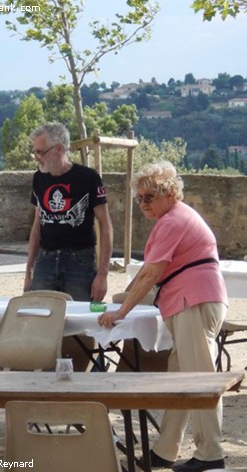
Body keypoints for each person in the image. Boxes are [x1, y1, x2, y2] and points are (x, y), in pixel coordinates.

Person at [98, 161, 227, 472]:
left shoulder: (172, 222)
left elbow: (150, 275)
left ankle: (211, 454)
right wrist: (125, 302)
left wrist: (121, 311)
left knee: (198, 380)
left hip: (193, 300)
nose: (143, 203)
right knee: (181, 379)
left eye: (149, 197)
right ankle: (165, 451)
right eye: (139, 198)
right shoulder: (173, 218)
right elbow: (147, 273)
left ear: (169, 193)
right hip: (192, 300)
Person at [24, 122, 113, 302]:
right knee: (37, 315)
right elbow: (37, 225)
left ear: (58, 149)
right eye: (34, 152)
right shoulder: (39, 178)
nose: (36, 157)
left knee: (82, 320)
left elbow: (106, 225)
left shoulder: (88, 178)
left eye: (40, 152)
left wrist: (102, 275)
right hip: (45, 260)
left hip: (79, 262)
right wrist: (29, 269)